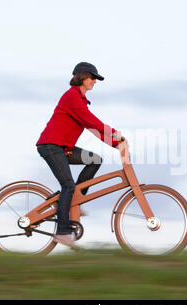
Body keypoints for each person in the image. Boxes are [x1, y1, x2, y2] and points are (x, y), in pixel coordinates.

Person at [36, 62, 124, 248]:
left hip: (63, 148)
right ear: (82, 77)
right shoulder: (72, 97)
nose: (94, 81)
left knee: (95, 160)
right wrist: (114, 132)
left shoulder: (81, 101)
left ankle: (77, 197)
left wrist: (117, 145)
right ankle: (62, 232)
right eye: (93, 77)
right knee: (67, 185)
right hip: (51, 146)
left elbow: (93, 128)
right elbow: (93, 121)